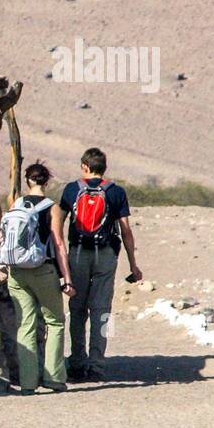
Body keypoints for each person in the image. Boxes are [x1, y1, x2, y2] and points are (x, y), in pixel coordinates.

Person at [53, 147, 143, 383]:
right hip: (106, 255)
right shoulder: (116, 192)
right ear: (104, 168)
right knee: (103, 312)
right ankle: (98, 365)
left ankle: (77, 361)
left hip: (78, 253)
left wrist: (60, 254)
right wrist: (133, 264)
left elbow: (58, 225)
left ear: (84, 166)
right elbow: (125, 230)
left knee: (77, 309)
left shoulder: (72, 189)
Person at [0, 161, 75, 393]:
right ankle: (53, 378)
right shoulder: (51, 207)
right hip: (43, 270)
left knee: (25, 326)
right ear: (46, 181)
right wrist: (67, 278)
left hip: (17, 272)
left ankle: (28, 383)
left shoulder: (16, 204)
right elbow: (58, 243)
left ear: (27, 181)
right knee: (55, 322)